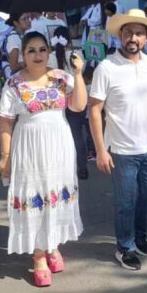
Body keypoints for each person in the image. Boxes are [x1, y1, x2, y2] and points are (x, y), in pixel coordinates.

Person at [0, 31, 87, 287]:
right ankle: (38, 255)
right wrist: (6, 156)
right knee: (34, 195)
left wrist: (78, 74)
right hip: (28, 147)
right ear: (23, 55)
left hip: (59, 145)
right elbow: (5, 122)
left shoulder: (62, 77)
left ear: (49, 52)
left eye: (42, 50)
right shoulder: (13, 83)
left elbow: (79, 106)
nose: (38, 55)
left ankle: (53, 244)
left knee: (55, 194)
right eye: (31, 51)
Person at [88, 9, 147, 271]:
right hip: (121, 150)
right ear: (120, 36)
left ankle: (139, 235)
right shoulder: (107, 67)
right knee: (126, 201)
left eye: (138, 33)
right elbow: (94, 109)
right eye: (128, 33)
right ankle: (124, 247)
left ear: (146, 38)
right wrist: (100, 149)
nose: (133, 37)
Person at [47, 26, 88, 179]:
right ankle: (82, 168)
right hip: (76, 98)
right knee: (77, 135)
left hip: (57, 102)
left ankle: (62, 168)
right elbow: (81, 73)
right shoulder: (77, 55)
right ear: (69, 39)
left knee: (58, 135)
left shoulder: (49, 57)